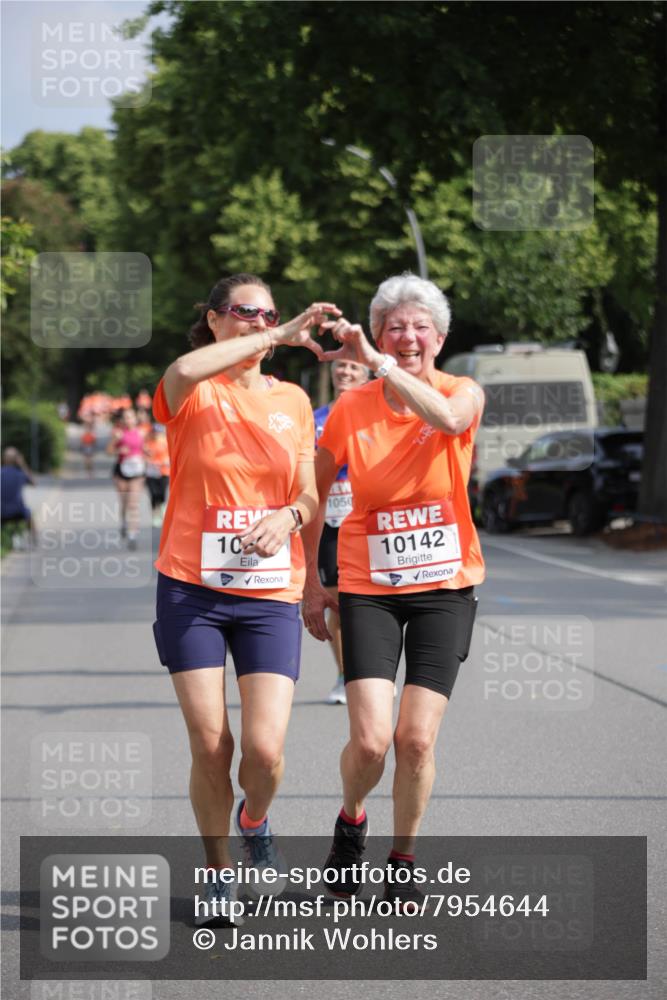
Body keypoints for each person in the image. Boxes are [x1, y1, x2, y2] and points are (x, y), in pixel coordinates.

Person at [151, 272, 339, 925]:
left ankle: (254, 818)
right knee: (211, 745)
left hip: (268, 593)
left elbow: (311, 494)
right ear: (212, 319)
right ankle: (218, 872)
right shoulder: (192, 389)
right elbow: (179, 368)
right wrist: (280, 335)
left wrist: (289, 521)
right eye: (242, 313)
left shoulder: (290, 399)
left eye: (267, 315)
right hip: (190, 589)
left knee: (264, 751)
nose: (256, 323)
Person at [302, 273, 485, 910]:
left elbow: (447, 417)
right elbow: (315, 494)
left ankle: (403, 858)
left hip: (445, 587)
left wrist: (378, 364)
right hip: (367, 587)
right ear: (379, 333)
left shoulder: (462, 391)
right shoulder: (352, 409)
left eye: (418, 327)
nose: (407, 337)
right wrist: (309, 583)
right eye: (393, 327)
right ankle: (351, 820)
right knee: (374, 740)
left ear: (439, 337)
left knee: (416, 740)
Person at [313, 360, 369, 705]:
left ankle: (373, 673)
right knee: (338, 603)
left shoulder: (376, 414)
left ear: (367, 375)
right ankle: (345, 675)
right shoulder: (315, 417)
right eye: (340, 367)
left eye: (353, 367)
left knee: (369, 603)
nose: (345, 372)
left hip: (366, 519)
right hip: (329, 521)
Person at [107, 408, 146, 550]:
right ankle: (124, 522)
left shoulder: (142, 433)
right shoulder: (118, 434)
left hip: (137, 471)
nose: (129, 420)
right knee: (124, 503)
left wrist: (147, 452)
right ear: (122, 420)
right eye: (126, 418)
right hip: (121, 471)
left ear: (135, 419)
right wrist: (119, 450)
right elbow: (109, 451)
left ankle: (132, 534)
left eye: (131, 417)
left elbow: (146, 448)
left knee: (133, 504)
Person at [1, 447, 36, 545]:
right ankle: (33, 542)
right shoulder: (20, 474)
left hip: (1, 512)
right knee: (29, 514)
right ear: (16, 460)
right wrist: (23, 464)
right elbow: (33, 483)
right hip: (18, 511)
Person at [143, 423, 170, 526]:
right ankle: (155, 514)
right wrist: (148, 461)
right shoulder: (148, 444)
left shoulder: (166, 443)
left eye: (159, 433)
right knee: (153, 494)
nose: (157, 435)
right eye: (155, 432)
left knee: (162, 493)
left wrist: (166, 461)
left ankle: (162, 507)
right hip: (151, 473)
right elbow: (144, 456)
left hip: (164, 472)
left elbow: (171, 455)